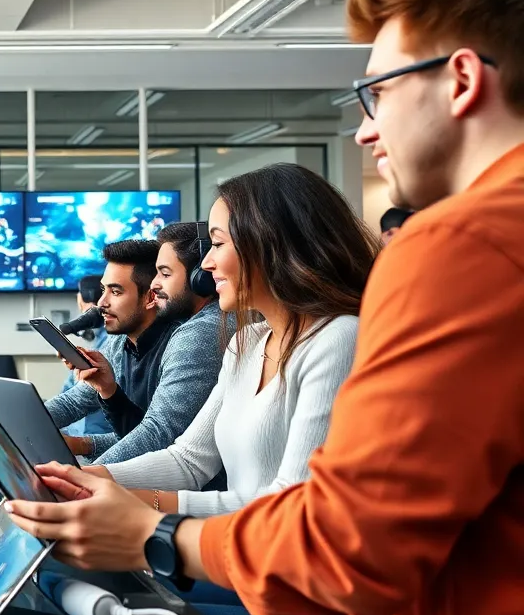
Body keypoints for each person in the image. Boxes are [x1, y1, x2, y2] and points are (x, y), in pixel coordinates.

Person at [5, 0, 524, 615]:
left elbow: (345, 547)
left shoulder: (463, 248)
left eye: (377, 92)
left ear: (463, 80)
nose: (364, 131)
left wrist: (156, 538)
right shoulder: (254, 336)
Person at [87, 164, 372, 521]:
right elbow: (188, 459)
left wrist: (147, 502)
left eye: (218, 244)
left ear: (270, 247)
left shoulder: (339, 338)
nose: (205, 264)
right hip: (239, 550)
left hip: (279, 562)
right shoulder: (246, 341)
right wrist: (89, 478)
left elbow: (293, 503)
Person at [45, 238, 220, 465]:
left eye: (115, 292)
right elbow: (73, 404)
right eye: (103, 290)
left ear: (150, 297)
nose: (101, 303)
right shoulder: (120, 343)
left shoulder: (186, 342)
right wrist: (4, 424)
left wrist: (81, 479)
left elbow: (159, 437)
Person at [61, 274, 112, 437]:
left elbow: (73, 399)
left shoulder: (111, 345)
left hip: (91, 439)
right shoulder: (100, 342)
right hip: (78, 435)